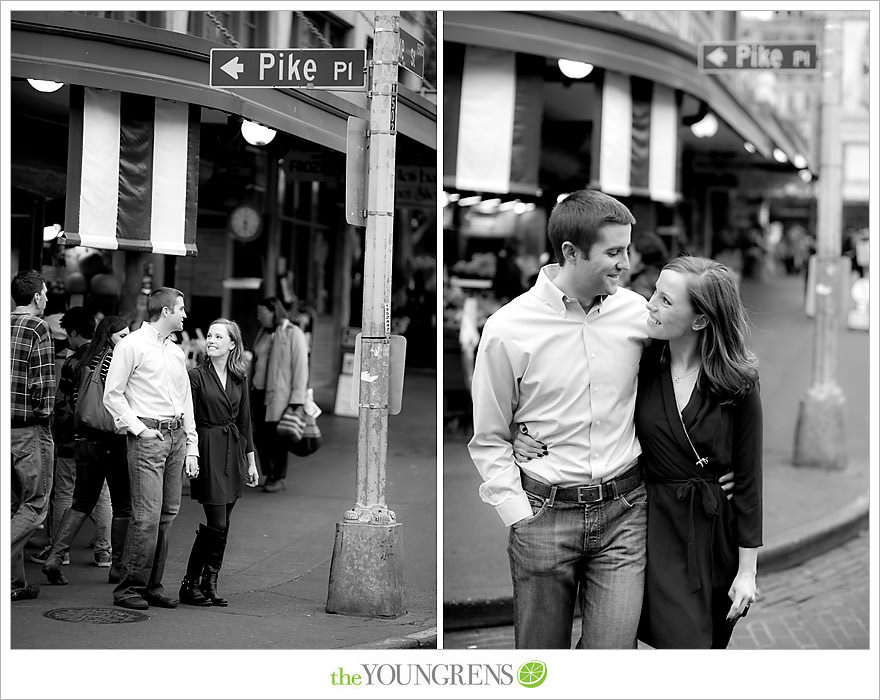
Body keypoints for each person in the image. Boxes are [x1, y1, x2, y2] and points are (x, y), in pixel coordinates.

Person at [468, 189, 652, 648]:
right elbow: (489, 435)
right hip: (544, 518)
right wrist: (518, 514)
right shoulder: (508, 329)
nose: (625, 264)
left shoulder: (638, 315)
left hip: (625, 512)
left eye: (626, 249)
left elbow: (683, 383)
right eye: (613, 252)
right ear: (570, 252)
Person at [635, 256, 761, 648]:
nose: (650, 303)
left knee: (703, 643)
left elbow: (750, 481)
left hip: (712, 535)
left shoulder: (737, 384)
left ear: (701, 320)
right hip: (652, 526)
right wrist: (523, 433)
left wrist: (747, 572)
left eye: (666, 300)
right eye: (654, 291)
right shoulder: (639, 362)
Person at [103, 287, 199, 610]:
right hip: (148, 435)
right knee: (146, 516)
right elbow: (111, 394)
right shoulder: (131, 346)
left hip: (175, 437)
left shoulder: (175, 351)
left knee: (167, 515)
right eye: (181, 308)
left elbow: (185, 400)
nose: (185, 314)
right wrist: (140, 429)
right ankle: (128, 588)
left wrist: (191, 445)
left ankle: (151, 586)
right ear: (165, 311)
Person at [41, 316, 133, 585]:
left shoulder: (77, 361)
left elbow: (64, 403)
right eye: (122, 336)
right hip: (112, 439)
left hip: (83, 440)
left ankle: (55, 557)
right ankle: (116, 565)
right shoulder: (116, 361)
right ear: (110, 336)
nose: (127, 341)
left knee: (81, 501)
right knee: (122, 505)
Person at [179, 319, 259, 607]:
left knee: (222, 525)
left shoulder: (239, 377)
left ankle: (207, 582)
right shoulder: (196, 376)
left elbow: (245, 421)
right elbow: (188, 418)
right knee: (217, 521)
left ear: (232, 344)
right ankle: (192, 582)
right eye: (209, 335)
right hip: (208, 447)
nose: (210, 340)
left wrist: (251, 462)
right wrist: (192, 452)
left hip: (233, 450)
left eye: (218, 336)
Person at [31, 306, 112, 570]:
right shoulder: (107, 359)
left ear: (75, 332)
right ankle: (104, 552)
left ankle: (60, 552)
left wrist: (59, 434)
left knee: (65, 493)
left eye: (68, 334)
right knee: (101, 495)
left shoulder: (73, 361)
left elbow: (62, 405)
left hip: (72, 439)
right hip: (102, 436)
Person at [10, 270, 55, 601]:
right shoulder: (38, 327)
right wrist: (46, 415)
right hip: (28, 430)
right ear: (37, 296)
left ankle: (15, 583)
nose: (47, 298)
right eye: (45, 293)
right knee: (35, 504)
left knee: (12, 506)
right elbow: (42, 387)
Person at [250, 296, 309, 493]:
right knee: (259, 436)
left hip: (280, 397)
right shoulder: (264, 333)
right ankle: (268, 474)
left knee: (278, 437)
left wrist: (297, 399)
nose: (259, 317)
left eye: (262, 313)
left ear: (274, 312)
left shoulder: (293, 333)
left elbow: (301, 368)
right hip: (258, 392)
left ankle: (278, 477)